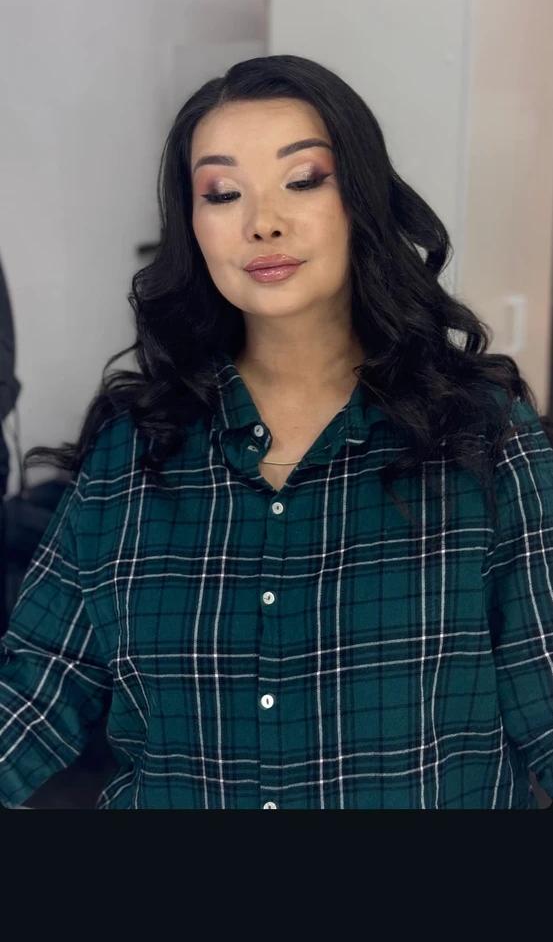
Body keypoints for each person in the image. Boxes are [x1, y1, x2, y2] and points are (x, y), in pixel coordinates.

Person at [2, 53, 553, 810]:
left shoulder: (482, 436)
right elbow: (32, 694)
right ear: (192, 227)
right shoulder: (132, 451)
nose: (262, 221)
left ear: (360, 200)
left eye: (303, 180)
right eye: (222, 193)